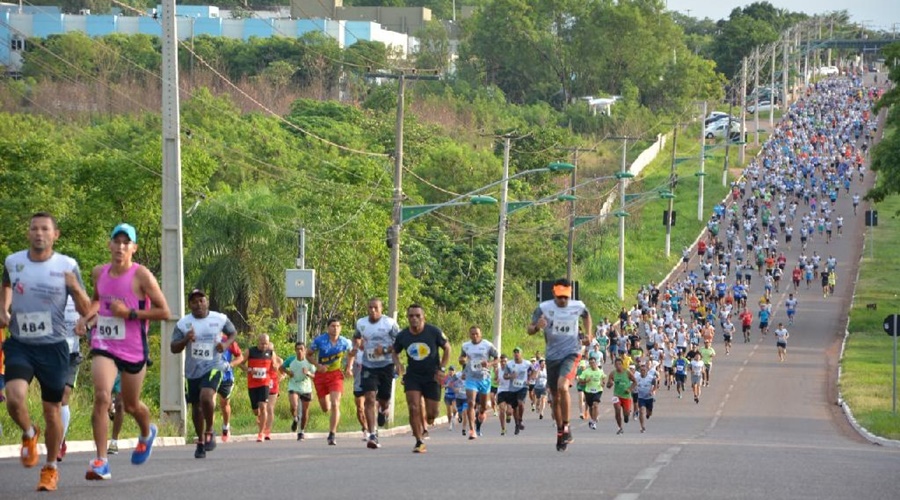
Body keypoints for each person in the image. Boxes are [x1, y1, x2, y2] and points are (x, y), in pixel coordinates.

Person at [0, 212, 92, 491]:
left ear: (55, 235)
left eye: (45, 229)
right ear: (28, 233)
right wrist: (4, 307)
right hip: (20, 344)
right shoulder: (13, 262)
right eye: (34, 228)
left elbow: (87, 310)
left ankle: (50, 468)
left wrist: (75, 287)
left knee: (52, 411)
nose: (39, 233)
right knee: (14, 398)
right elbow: (6, 285)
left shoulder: (67, 265)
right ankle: (29, 432)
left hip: (53, 347)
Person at [84, 222, 170, 481]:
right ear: (109, 245)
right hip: (105, 344)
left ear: (134, 248)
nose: (120, 247)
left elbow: (164, 312)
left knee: (131, 405)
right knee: (101, 396)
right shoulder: (99, 272)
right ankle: (101, 461)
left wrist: (130, 313)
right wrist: (87, 317)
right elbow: (97, 299)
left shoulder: (141, 275)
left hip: (133, 346)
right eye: (116, 241)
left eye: (126, 243)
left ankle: (146, 432)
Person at [170, 289, 237, 459]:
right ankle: (200, 441)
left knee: (206, 397)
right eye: (194, 302)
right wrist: (186, 339)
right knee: (196, 407)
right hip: (193, 370)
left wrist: (226, 344)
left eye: (201, 300)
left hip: (214, 365)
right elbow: (173, 347)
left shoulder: (219, 318)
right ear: (189, 305)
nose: (198, 304)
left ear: (207, 302)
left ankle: (209, 430)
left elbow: (233, 332)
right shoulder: (183, 324)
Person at [527, 278, 592, 452]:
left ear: (569, 295)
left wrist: (589, 335)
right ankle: (560, 431)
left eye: (566, 297)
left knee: (563, 387)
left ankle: (567, 426)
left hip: (571, 353)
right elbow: (529, 329)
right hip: (552, 356)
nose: (563, 300)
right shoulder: (544, 308)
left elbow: (587, 316)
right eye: (560, 297)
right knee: (554, 397)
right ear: (554, 293)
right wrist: (537, 327)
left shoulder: (577, 306)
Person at [392, 304, 451, 454]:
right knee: (413, 407)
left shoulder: (433, 331)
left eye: (417, 315)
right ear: (408, 318)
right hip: (413, 376)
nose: (414, 319)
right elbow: (394, 351)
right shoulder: (403, 335)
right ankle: (419, 441)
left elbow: (447, 348)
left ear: (423, 317)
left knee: (433, 413)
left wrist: (442, 369)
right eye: (411, 316)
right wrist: (398, 364)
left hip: (432, 376)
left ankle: (428, 421)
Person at [351, 298, 400, 449]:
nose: (372, 310)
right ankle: (372, 434)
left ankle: (382, 409)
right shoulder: (361, 323)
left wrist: (384, 351)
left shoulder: (390, 323)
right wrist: (357, 345)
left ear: (381, 309)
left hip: (386, 365)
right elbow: (356, 337)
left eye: (376, 308)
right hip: (368, 366)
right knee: (369, 398)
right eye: (370, 307)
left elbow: (400, 343)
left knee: (384, 398)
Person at [307, 317, 354, 446]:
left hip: (336, 375)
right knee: (325, 407)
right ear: (328, 328)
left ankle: (332, 434)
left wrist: (349, 367)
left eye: (338, 326)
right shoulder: (320, 340)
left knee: (335, 404)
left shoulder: (345, 342)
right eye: (333, 326)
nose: (335, 328)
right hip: (321, 375)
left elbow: (352, 353)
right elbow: (308, 354)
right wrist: (317, 365)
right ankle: (328, 410)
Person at [460, 325, 498, 439]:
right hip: (471, 378)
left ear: (480, 334)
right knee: (470, 403)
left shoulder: (487, 345)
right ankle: (472, 430)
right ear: (469, 335)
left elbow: (497, 358)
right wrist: (462, 362)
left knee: (483, 407)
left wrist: (489, 364)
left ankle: (481, 413)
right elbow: (462, 359)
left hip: (484, 378)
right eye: (472, 334)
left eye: (477, 334)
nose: (475, 336)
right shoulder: (465, 346)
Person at [58, 297, 83, 463]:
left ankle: (59, 443)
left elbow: (93, 314)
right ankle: (59, 435)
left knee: (63, 396)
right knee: (52, 400)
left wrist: (86, 325)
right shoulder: (47, 295)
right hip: (50, 352)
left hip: (71, 354)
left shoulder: (78, 299)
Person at [239, 333, 274, 442]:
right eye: (262, 343)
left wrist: (276, 370)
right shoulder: (250, 351)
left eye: (266, 344)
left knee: (263, 407)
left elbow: (275, 365)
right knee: (256, 410)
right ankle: (259, 417)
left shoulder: (271, 352)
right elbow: (240, 363)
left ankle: (261, 433)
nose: (264, 346)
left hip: (265, 383)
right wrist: (249, 370)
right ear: (258, 342)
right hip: (252, 384)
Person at [282, 342, 315, 440]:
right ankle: (295, 418)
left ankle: (301, 432)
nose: (300, 351)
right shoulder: (291, 359)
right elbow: (281, 368)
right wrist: (288, 373)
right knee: (294, 406)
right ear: (295, 350)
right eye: (298, 349)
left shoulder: (309, 361)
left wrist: (308, 373)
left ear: (305, 350)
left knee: (305, 411)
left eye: (301, 349)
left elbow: (315, 375)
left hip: (306, 387)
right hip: (294, 385)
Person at [217, 332, 244, 442]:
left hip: (226, 378)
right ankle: (207, 430)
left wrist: (230, 365)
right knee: (208, 400)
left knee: (224, 404)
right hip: (209, 377)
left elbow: (240, 357)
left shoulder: (228, 341)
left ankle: (225, 426)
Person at [503, 346, 532, 435]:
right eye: (515, 352)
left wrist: (530, 379)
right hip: (512, 388)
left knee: (521, 403)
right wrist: (511, 376)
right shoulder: (509, 364)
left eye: (518, 352)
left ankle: (520, 420)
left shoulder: (527, 363)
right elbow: (505, 376)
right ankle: (517, 424)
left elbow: (536, 368)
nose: (516, 354)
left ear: (521, 354)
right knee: (514, 408)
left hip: (523, 386)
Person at [577, 352, 606, 430]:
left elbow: (603, 377)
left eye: (593, 362)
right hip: (588, 391)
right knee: (590, 407)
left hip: (598, 390)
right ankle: (592, 418)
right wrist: (586, 381)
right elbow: (580, 381)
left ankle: (593, 422)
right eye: (590, 363)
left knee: (595, 405)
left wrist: (603, 383)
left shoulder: (600, 370)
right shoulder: (586, 371)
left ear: (596, 362)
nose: (592, 364)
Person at [607, 358, 636, 435]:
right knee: (617, 409)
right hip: (617, 395)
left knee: (626, 414)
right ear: (614, 365)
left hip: (626, 396)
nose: (618, 366)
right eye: (616, 364)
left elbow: (635, 382)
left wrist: (629, 389)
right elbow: (608, 385)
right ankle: (620, 427)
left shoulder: (627, 372)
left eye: (619, 364)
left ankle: (626, 416)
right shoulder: (612, 373)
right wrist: (609, 384)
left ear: (622, 365)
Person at [263, 342, 283, 440]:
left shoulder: (279, 360)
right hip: (262, 384)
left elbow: (284, 373)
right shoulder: (261, 358)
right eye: (267, 350)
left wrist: (280, 376)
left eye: (271, 350)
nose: (269, 353)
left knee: (270, 408)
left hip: (273, 385)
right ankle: (262, 427)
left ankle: (267, 431)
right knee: (261, 409)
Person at [634, 363, 657, 433]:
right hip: (641, 398)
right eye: (641, 370)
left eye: (644, 370)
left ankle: (648, 414)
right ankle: (642, 427)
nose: (642, 372)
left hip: (649, 398)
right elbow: (633, 384)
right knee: (641, 411)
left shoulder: (651, 378)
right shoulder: (637, 378)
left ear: (647, 371)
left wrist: (652, 391)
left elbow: (655, 385)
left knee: (649, 413)